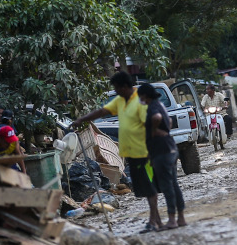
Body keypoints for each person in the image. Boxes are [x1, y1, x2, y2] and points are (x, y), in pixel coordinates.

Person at [72, 72, 161, 231]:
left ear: (125, 87)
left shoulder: (139, 101)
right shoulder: (121, 101)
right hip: (132, 153)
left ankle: (154, 220)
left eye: (117, 88)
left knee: (150, 186)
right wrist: (82, 119)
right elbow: (102, 112)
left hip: (144, 152)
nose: (116, 91)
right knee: (144, 188)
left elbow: (152, 123)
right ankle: (155, 220)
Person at [138, 83, 186, 229]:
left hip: (162, 151)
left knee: (167, 186)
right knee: (174, 184)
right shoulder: (161, 105)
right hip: (170, 147)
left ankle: (172, 220)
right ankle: (181, 218)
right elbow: (169, 121)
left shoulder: (153, 107)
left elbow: (157, 118)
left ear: (145, 96)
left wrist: (152, 132)